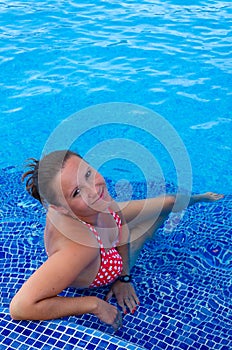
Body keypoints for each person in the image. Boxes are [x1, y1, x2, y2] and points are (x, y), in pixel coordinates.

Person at [9, 150, 223, 331]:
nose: (95, 188)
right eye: (77, 192)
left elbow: (119, 226)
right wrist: (94, 304)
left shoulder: (91, 201)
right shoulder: (80, 250)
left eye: (88, 173)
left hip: (99, 223)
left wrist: (125, 277)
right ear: (60, 208)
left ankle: (199, 198)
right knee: (145, 232)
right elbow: (20, 307)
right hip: (99, 261)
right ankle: (158, 227)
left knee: (169, 202)